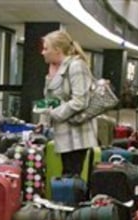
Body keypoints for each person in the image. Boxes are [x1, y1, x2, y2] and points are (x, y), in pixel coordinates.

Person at [39, 29, 98, 176]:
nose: (43, 52)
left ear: (57, 50)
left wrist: (54, 114)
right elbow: (51, 99)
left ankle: (72, 199)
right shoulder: (56, 68)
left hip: (77, 134)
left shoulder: (77, 66)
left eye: (46, 48)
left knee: (71, 176)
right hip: (64, 133)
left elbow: (80, 101)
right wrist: (43, 121)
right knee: (67, 174)